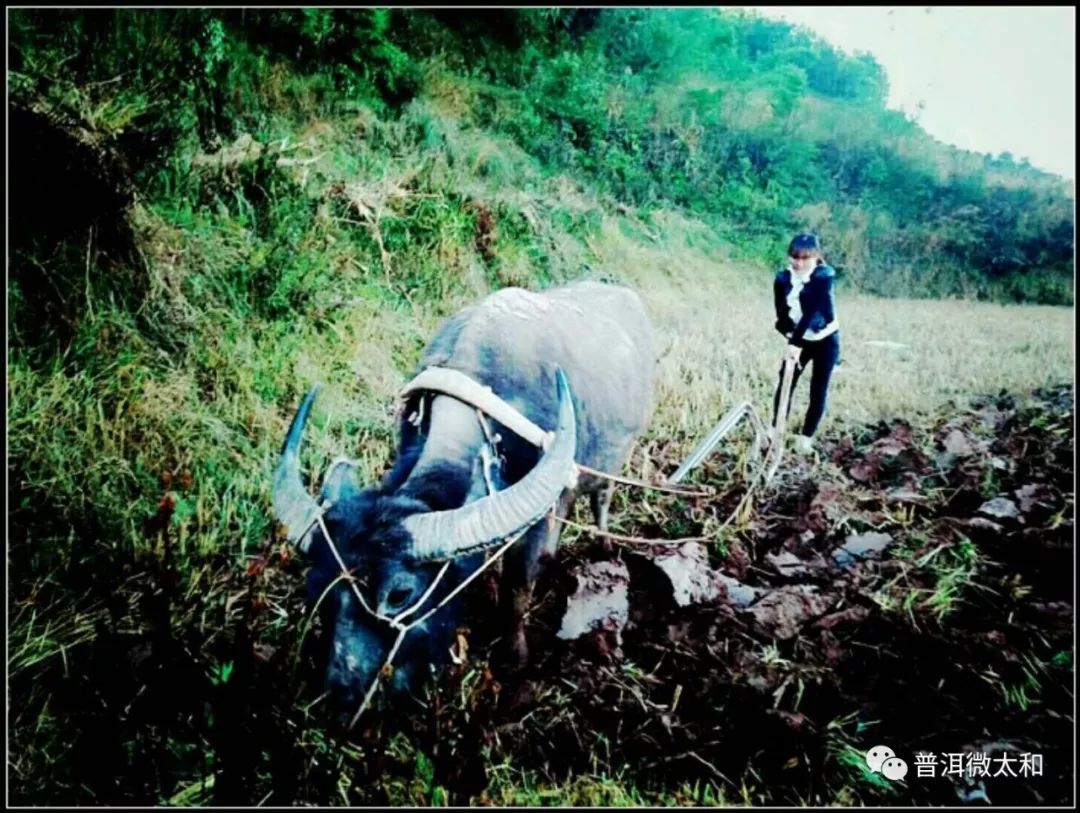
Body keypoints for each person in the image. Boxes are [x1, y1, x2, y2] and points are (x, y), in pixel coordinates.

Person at [772, 233, 840, 455]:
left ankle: (805, 439)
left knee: (818, 389)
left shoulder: (824, 276)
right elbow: (781, 314)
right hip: (799, 338)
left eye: (805, 259)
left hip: (825, 340)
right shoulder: (782, 279)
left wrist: (795, 343)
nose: (799, 263)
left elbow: (811, 312)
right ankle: (775, 432)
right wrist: (788, 336)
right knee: (785, 383)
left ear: (817, 257)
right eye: (795, 258)